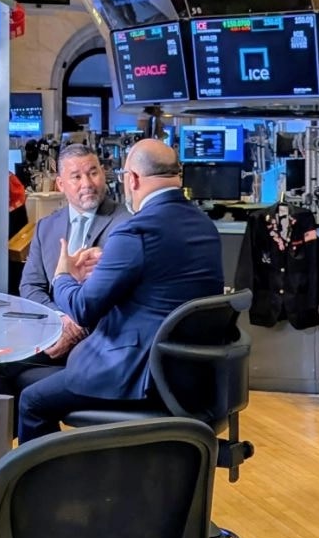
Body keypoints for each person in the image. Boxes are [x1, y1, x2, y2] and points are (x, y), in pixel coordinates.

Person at [17, 139, 224, 441]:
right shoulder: (204, 225)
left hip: (136, 373)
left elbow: (83, 308)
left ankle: (53, 474)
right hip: (190, 374)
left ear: (133, 179)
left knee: (32, 401)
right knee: (28, 376)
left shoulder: (135, 230)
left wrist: (63, 276)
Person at [0, 143, 131, 399]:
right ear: (60, 184)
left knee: (18, 381)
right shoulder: (46, 227)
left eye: (93, 172)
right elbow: (30, 286)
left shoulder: (126, 224)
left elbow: (122, 295)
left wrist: (77, 327)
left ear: (103, 174)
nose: (87, 183)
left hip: (101, 341)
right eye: (76, 176)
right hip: (52, 332)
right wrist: (61, 321)